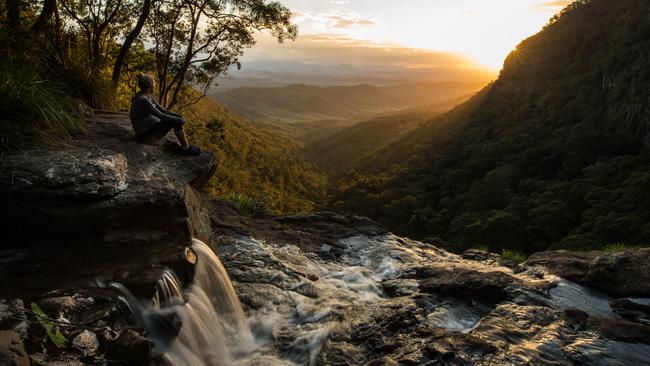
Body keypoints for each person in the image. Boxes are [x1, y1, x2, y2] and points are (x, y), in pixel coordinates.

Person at [130, 74, 202, 156]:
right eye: (154, 84)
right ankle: (185, 148)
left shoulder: (147, 96)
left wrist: (178, 116)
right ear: (150, 85)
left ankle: (185, 146)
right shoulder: (143, 100)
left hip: (148, 130)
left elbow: (163, 110)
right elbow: (161, 115)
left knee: (176, 120)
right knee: (176, 122)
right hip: (144, 136)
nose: (155, 86)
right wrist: (179, 120)